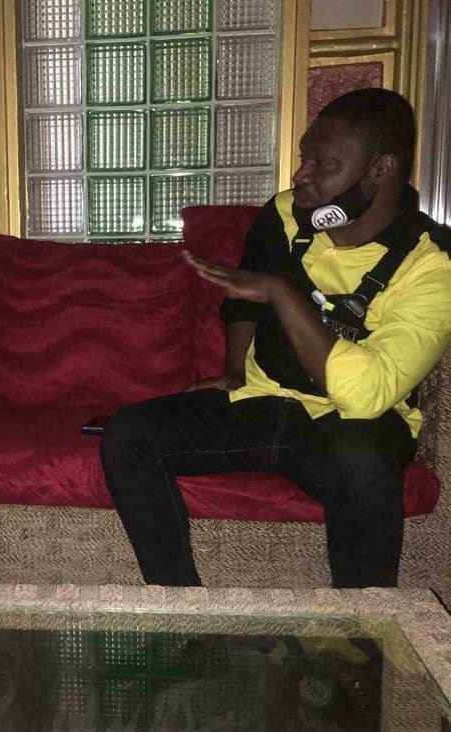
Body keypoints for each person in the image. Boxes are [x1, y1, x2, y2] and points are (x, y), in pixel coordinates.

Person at [101, 88, 451, 589]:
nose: (301, 175)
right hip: (264, 401)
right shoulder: (287, 215)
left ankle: (361, 629)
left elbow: (365, 395)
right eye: (305, 158)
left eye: (324, 164)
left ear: (381, 169)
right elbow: (244, 297)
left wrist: (283, 293)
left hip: (352, 425)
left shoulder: (432, 264)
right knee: (128, 434)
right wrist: (234, 371)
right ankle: (184, 613)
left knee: (362, 459)